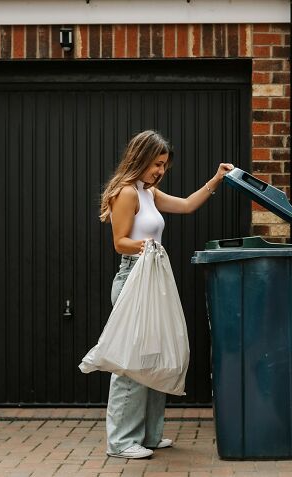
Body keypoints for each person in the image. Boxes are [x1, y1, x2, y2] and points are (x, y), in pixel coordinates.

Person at [98, 129, 233, 459]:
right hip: (133, 277)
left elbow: (187, 205)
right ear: (140, 158)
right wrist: (150, 245)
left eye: (163, 166)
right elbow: (120, 243)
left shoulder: (148, 192)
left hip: (151, 277)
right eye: (156, 164)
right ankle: (120, 442)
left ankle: (149, 434)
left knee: (153, 358)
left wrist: (216, 179)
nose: (160, 171)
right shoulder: (126, 193)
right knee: (131, 364)